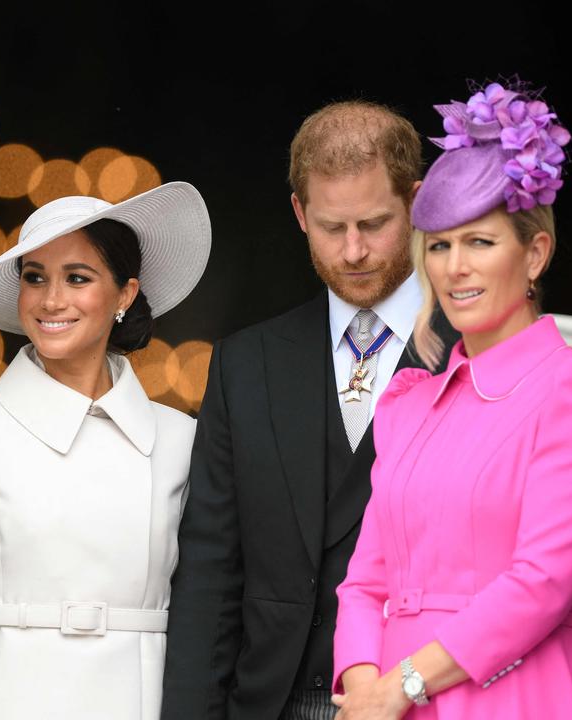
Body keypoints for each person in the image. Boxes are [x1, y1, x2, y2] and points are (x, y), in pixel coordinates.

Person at [332, 82, 572, 719]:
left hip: (518, 695)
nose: (455, 267)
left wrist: (401, 685)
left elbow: (543, 585)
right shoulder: (407, 404)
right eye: (439, 246)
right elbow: (364, 583)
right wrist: (363, 689)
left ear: (535, 255)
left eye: (481, 242)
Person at [162, 101, 455, 720]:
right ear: (299, 212)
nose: (353, 252)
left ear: (420, 201)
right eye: (330, 227)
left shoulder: (478, 351)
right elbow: (211, 574)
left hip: (433, 700)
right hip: (273, 703)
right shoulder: (246, 364)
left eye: (374, 224)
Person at [0, 182, 211, 720]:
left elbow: (208, 614)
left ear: (126, 294)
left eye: (77, 278)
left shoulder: (181, 440)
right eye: (34, 278)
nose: (51, 300)